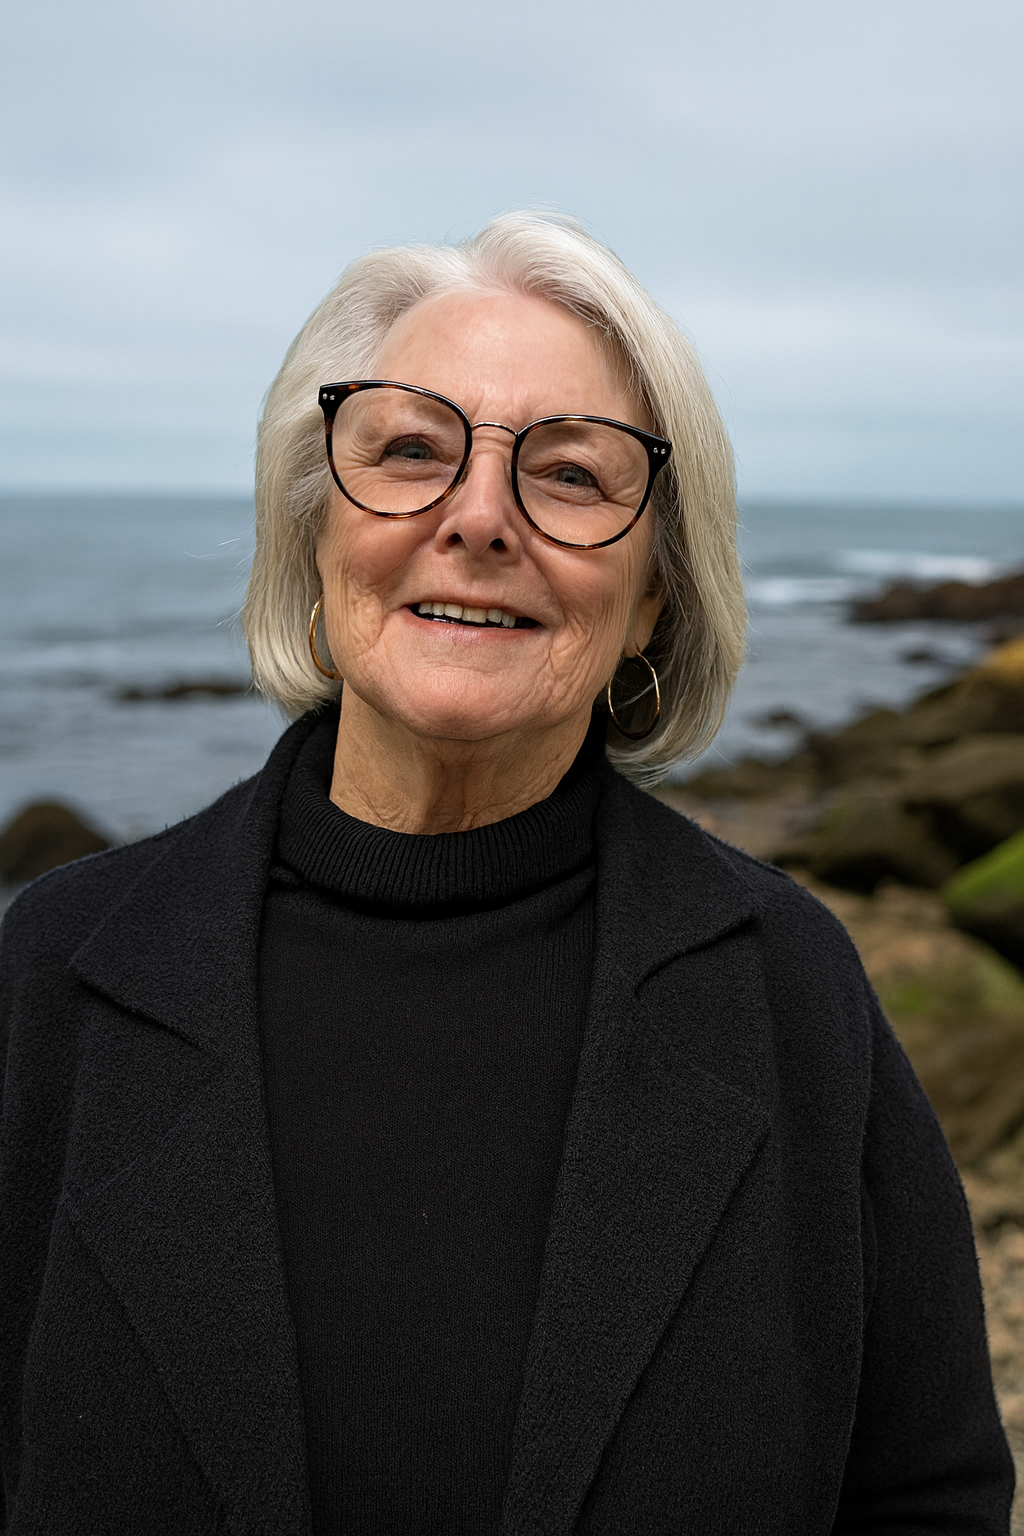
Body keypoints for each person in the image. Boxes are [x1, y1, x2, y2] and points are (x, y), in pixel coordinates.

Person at [0, 212, 1012, 1536]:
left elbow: (927, 1494)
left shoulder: (791, 995)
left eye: (574, 476)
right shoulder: (57, 975)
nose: (477, 518)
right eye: (412, 449)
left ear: (655, 593)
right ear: (316, 533)